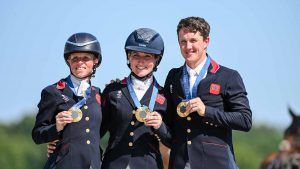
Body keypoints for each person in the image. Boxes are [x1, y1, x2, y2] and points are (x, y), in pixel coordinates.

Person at [158, 16, 252, 169]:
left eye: (193, 40)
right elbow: (168, 119)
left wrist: (206, 111)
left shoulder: (228, 76)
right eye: (183, 41)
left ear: (206, 42)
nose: (188, 46)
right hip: (179, 163)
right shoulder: (173, 76)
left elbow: (245, 120)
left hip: (216, 163)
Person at [32, 32, 103, 169]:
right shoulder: (53, 92)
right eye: (75, 58)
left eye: (85, 58)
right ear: (68, 61)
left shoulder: (98, 94)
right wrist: (56, 127)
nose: (80, 62)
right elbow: (37, 135)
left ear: (95, 61)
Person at [100, 28, 168, 169]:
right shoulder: (112, 91)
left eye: (147, 56)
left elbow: (173, 140)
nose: (141, 61)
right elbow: (95, 131)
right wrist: (61, 143)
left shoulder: (165, 96)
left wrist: (160, 126)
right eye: (136, 55)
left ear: (157, 60)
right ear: (128, 57)